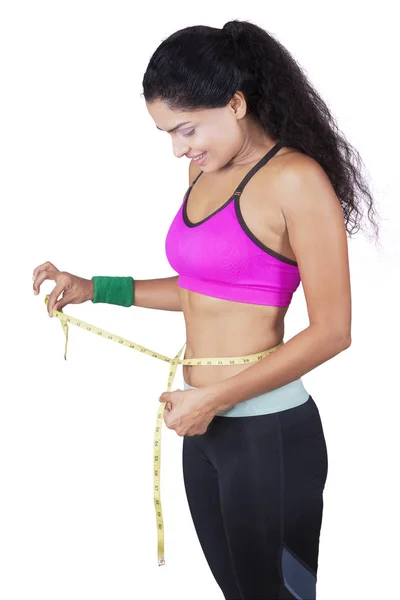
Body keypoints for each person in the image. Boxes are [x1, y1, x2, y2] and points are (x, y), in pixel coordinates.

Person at [33, 18, 380, 600]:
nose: (179, 150)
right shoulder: (204, 170)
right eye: (168, 134)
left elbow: (332, 332)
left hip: (266, 433)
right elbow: (202, 288)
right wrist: (96, 286)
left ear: (237, 102)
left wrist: (214, 398)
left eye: (186, 129)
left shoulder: (297, 181)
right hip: (206, 431)